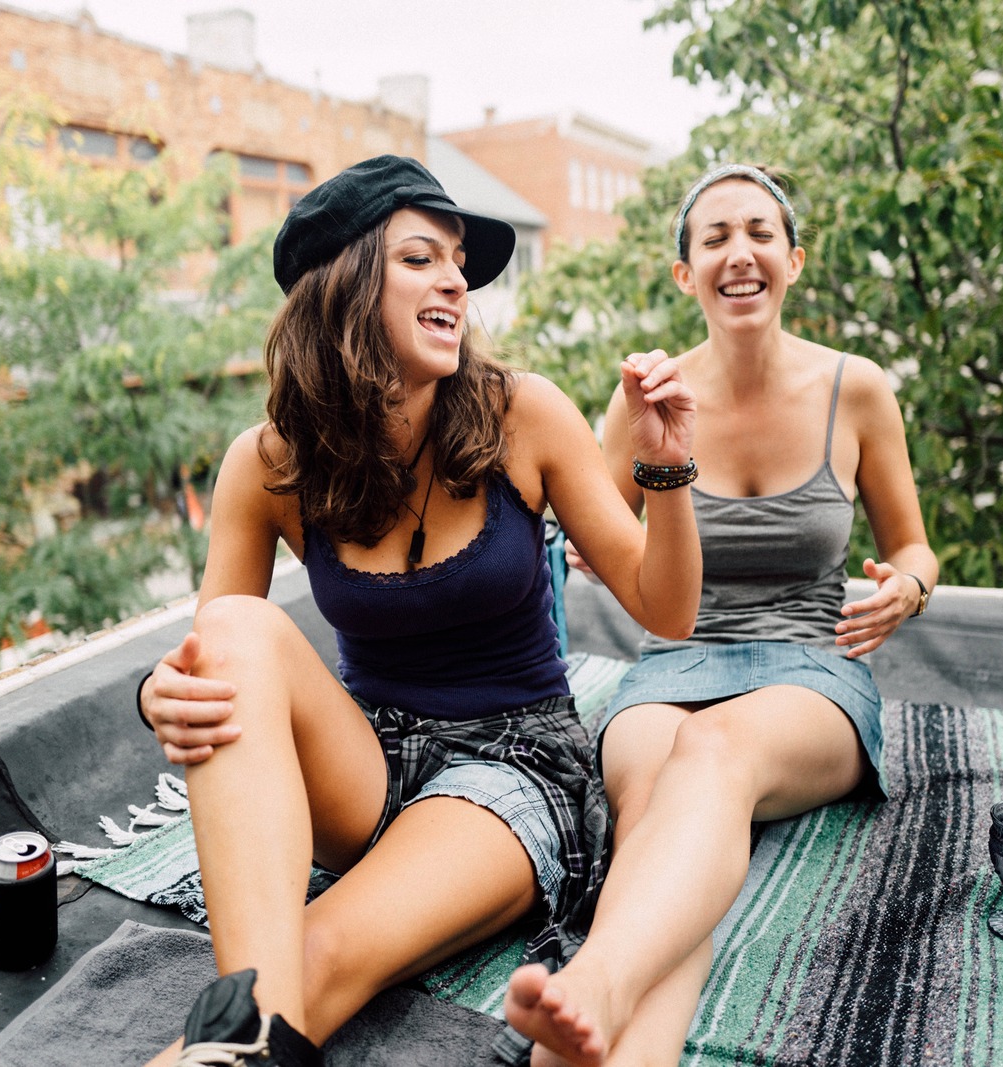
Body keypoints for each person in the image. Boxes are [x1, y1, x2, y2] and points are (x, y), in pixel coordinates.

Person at [135, 155, 702, 1067]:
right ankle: (247, 1032)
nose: (456, 279)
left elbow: (665, 608)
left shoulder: (524, 414)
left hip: (511, 762)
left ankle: (236, 1035)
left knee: (316, 948)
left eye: (458, 263)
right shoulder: (267, 461)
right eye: (419, 258)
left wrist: (665, 469)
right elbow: (213, 663)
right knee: (236, 632)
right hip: (363, 763)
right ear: (344, 287)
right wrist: (159, 694)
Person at [504, 163, 938, 1066]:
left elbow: (915, 546)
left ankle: (595, 981)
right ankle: (590, 1045)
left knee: (711, 755)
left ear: (793, 258)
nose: (739, 254)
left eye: (758, 233)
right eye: (714, 239)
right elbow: (573, 521)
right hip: (671, 663)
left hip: (807, 671)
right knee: (658, 823)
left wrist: (909, 586)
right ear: (685, 274)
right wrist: (601, 538)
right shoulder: (647, 401)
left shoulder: (857, 389)